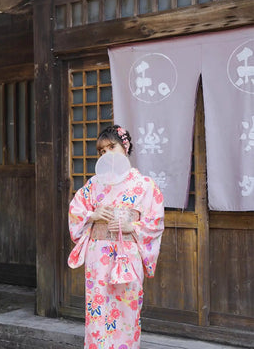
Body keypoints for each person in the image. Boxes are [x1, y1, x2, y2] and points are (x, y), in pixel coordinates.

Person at [68, 124, 164, 349]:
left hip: (127, 255)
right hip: (98, 255)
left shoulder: (145, 185)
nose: (107, 154)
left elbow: (156, 222)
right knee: (97, 311)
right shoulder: (93, 184)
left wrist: (133, 226)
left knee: (127, 312)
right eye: (102, 151)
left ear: (125, 146)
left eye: (112, 147)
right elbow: (76, 212)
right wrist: (92, 215)